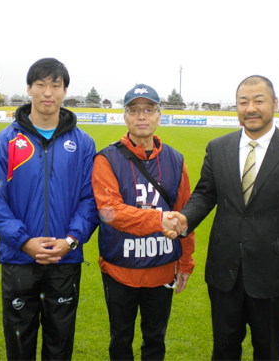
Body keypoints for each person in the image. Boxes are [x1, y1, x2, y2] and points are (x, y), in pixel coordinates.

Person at [166, 75, 279, 360]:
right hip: (224, 272)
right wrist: (185, 219)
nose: (251, 107)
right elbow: (205, 194)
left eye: (259, 100)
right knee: (224, 349)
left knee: (269, 350)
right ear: (236, 107)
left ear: (274, 104)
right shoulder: (218, 147)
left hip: (274, 276)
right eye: (243, 102)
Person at [0, 58, 100, 361]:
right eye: (41, 84)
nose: (48, 92)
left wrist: (70, 240)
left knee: (59, 345)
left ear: (64, 92)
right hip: (19, 258)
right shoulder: (3, 142)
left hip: (65, 258)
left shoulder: (84, 144)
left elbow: (91, 199)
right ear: (29, 89)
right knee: (20, 344)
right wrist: (24, 241)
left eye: (55, 85)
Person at [92, 84, 195, 361]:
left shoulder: (175, 159)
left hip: (161, 270)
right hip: (119, 270)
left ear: (158, 116)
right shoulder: (106, 159)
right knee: (120, 340)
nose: (141, 116)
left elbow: (185, 214)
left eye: (148, 110)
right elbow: (110, 212)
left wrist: (186, 262)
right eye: (134, 110)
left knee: (155, 341)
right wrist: (158, 219)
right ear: (124, 117)